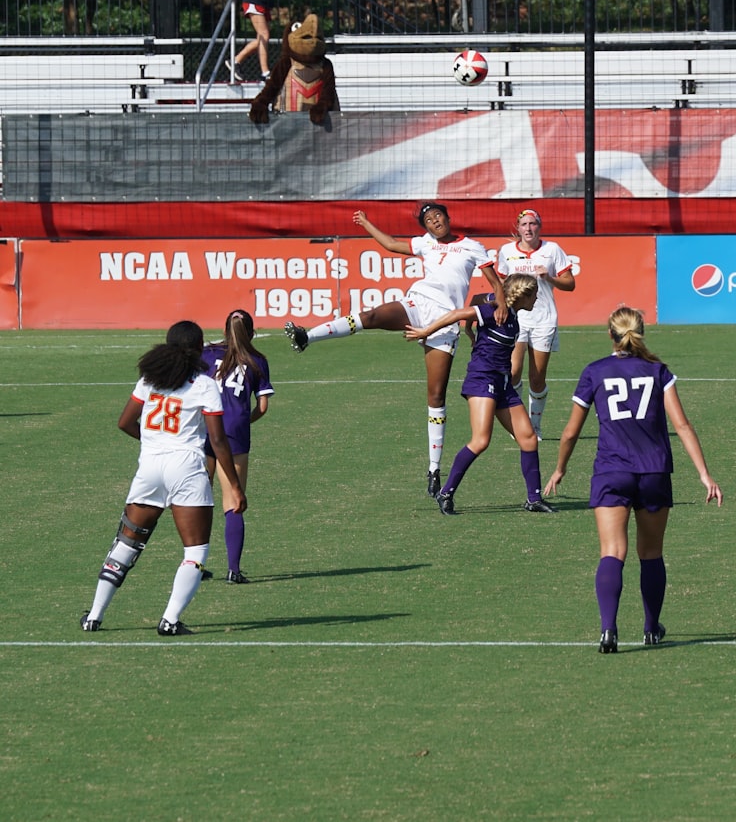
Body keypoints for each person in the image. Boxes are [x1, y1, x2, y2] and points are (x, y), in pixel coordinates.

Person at [284, 202, 506, 499]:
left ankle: (433, 469)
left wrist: (502, 303)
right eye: (428, 219)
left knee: (436, 396)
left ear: (448, 218)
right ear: (425, 227)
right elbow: (390, 244)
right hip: (418, 304)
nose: (435, 221)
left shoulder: (471, 246)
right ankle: (306, 337)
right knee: (372, 316)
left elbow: (494, 280)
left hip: (444, 320)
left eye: (438, 216)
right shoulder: (425, 244)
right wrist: (365, 223)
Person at [543, 307, 722, 654]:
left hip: (612, 471)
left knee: (612, 551)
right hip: (654, 471)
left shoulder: (595, 371)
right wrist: (704, 474)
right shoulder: (658, 371)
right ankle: (651, 627)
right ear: (641, 333)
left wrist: (560, 468)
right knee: (651, 553)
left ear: (610, 334)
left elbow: (569, 432)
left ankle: (608, 630)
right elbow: (682, 425)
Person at [80, 321, 247, 636]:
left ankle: (95, 616)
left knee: (126, 544)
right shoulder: (204, 385)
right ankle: (170, 620)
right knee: (194, 551)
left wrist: (154, 442)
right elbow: (219, 441)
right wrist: (235, 487)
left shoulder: (149, 379)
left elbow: (125, 422)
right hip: (187, 469)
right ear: (200, 349)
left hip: (150, 468)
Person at [404, 273, 555, 516]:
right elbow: (459, 313)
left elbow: (476, 297)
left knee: (527, 438)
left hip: (502, 382)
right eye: (534, 293)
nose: (537, 297)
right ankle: (446, 492)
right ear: (523, 295)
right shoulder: (493, 310)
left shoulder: (511, 313)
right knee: (481, 440)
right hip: (482, 380)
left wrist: (471, 333)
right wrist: (427, 332)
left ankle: (533, 499)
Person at [202, 309, 273, 584]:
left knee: (198, 499)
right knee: (233, 500)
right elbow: (263, 406)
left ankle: (195, 565)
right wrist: (244, 421)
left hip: (205, 428)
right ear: (252, 333)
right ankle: (233, 569)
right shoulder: (257, 361)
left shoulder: (207, 354)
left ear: (223, 331)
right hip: (234, 434)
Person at [495, 208, 576, 440]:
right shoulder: (507, 252)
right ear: (518, 228)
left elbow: (570, 284)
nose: (528, 229)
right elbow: (499, 284)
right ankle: (520, 425)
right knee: (512, 372)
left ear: (539, 227)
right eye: (524, 224)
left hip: (544, 320)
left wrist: (548, 277)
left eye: (533, 224)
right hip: (516, 319)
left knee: (537, 377)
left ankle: (536, 426)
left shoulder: (552, 250)